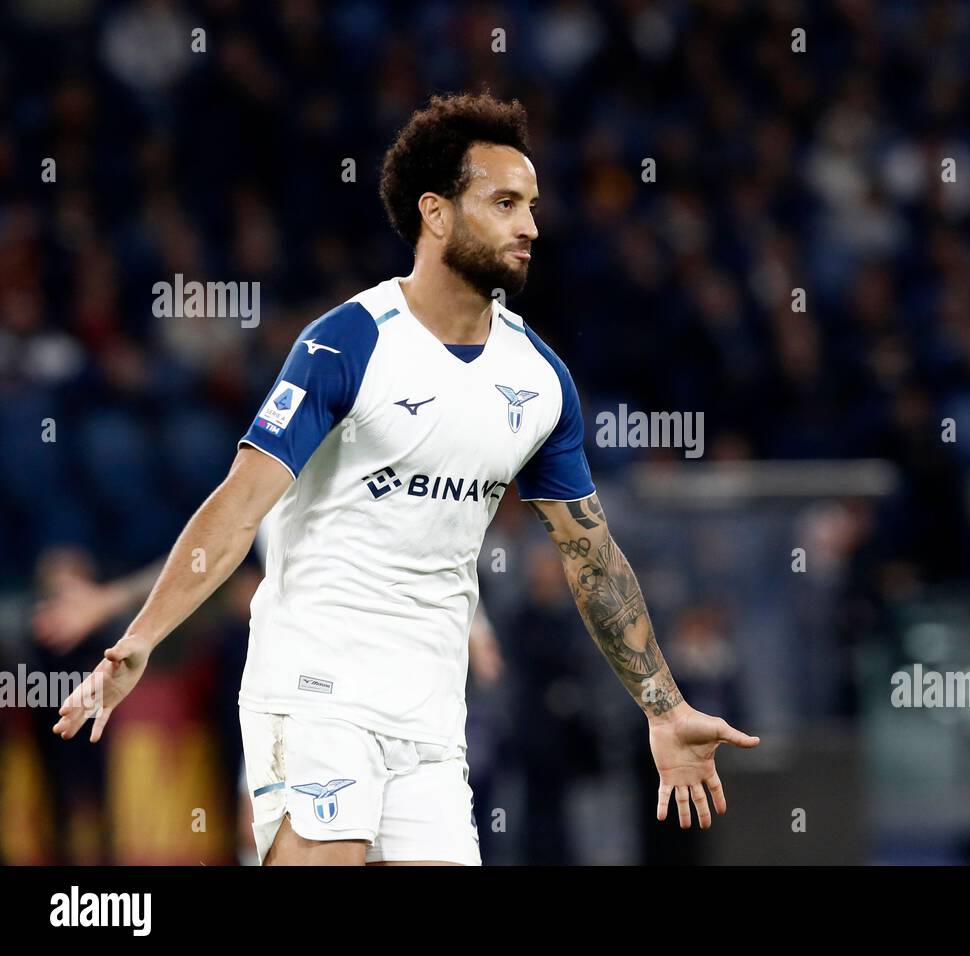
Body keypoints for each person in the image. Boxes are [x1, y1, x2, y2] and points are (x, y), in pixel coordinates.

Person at [52, 90, 759, 866]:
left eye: (531, 204)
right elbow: (238, 504)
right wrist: (142, 638)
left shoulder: (540, 380)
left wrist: (661, 705)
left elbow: (592, 557)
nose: (530, 226)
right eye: (504, 202)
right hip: (315, 689)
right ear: (437, 212)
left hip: (429, 717)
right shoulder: (348, 343)